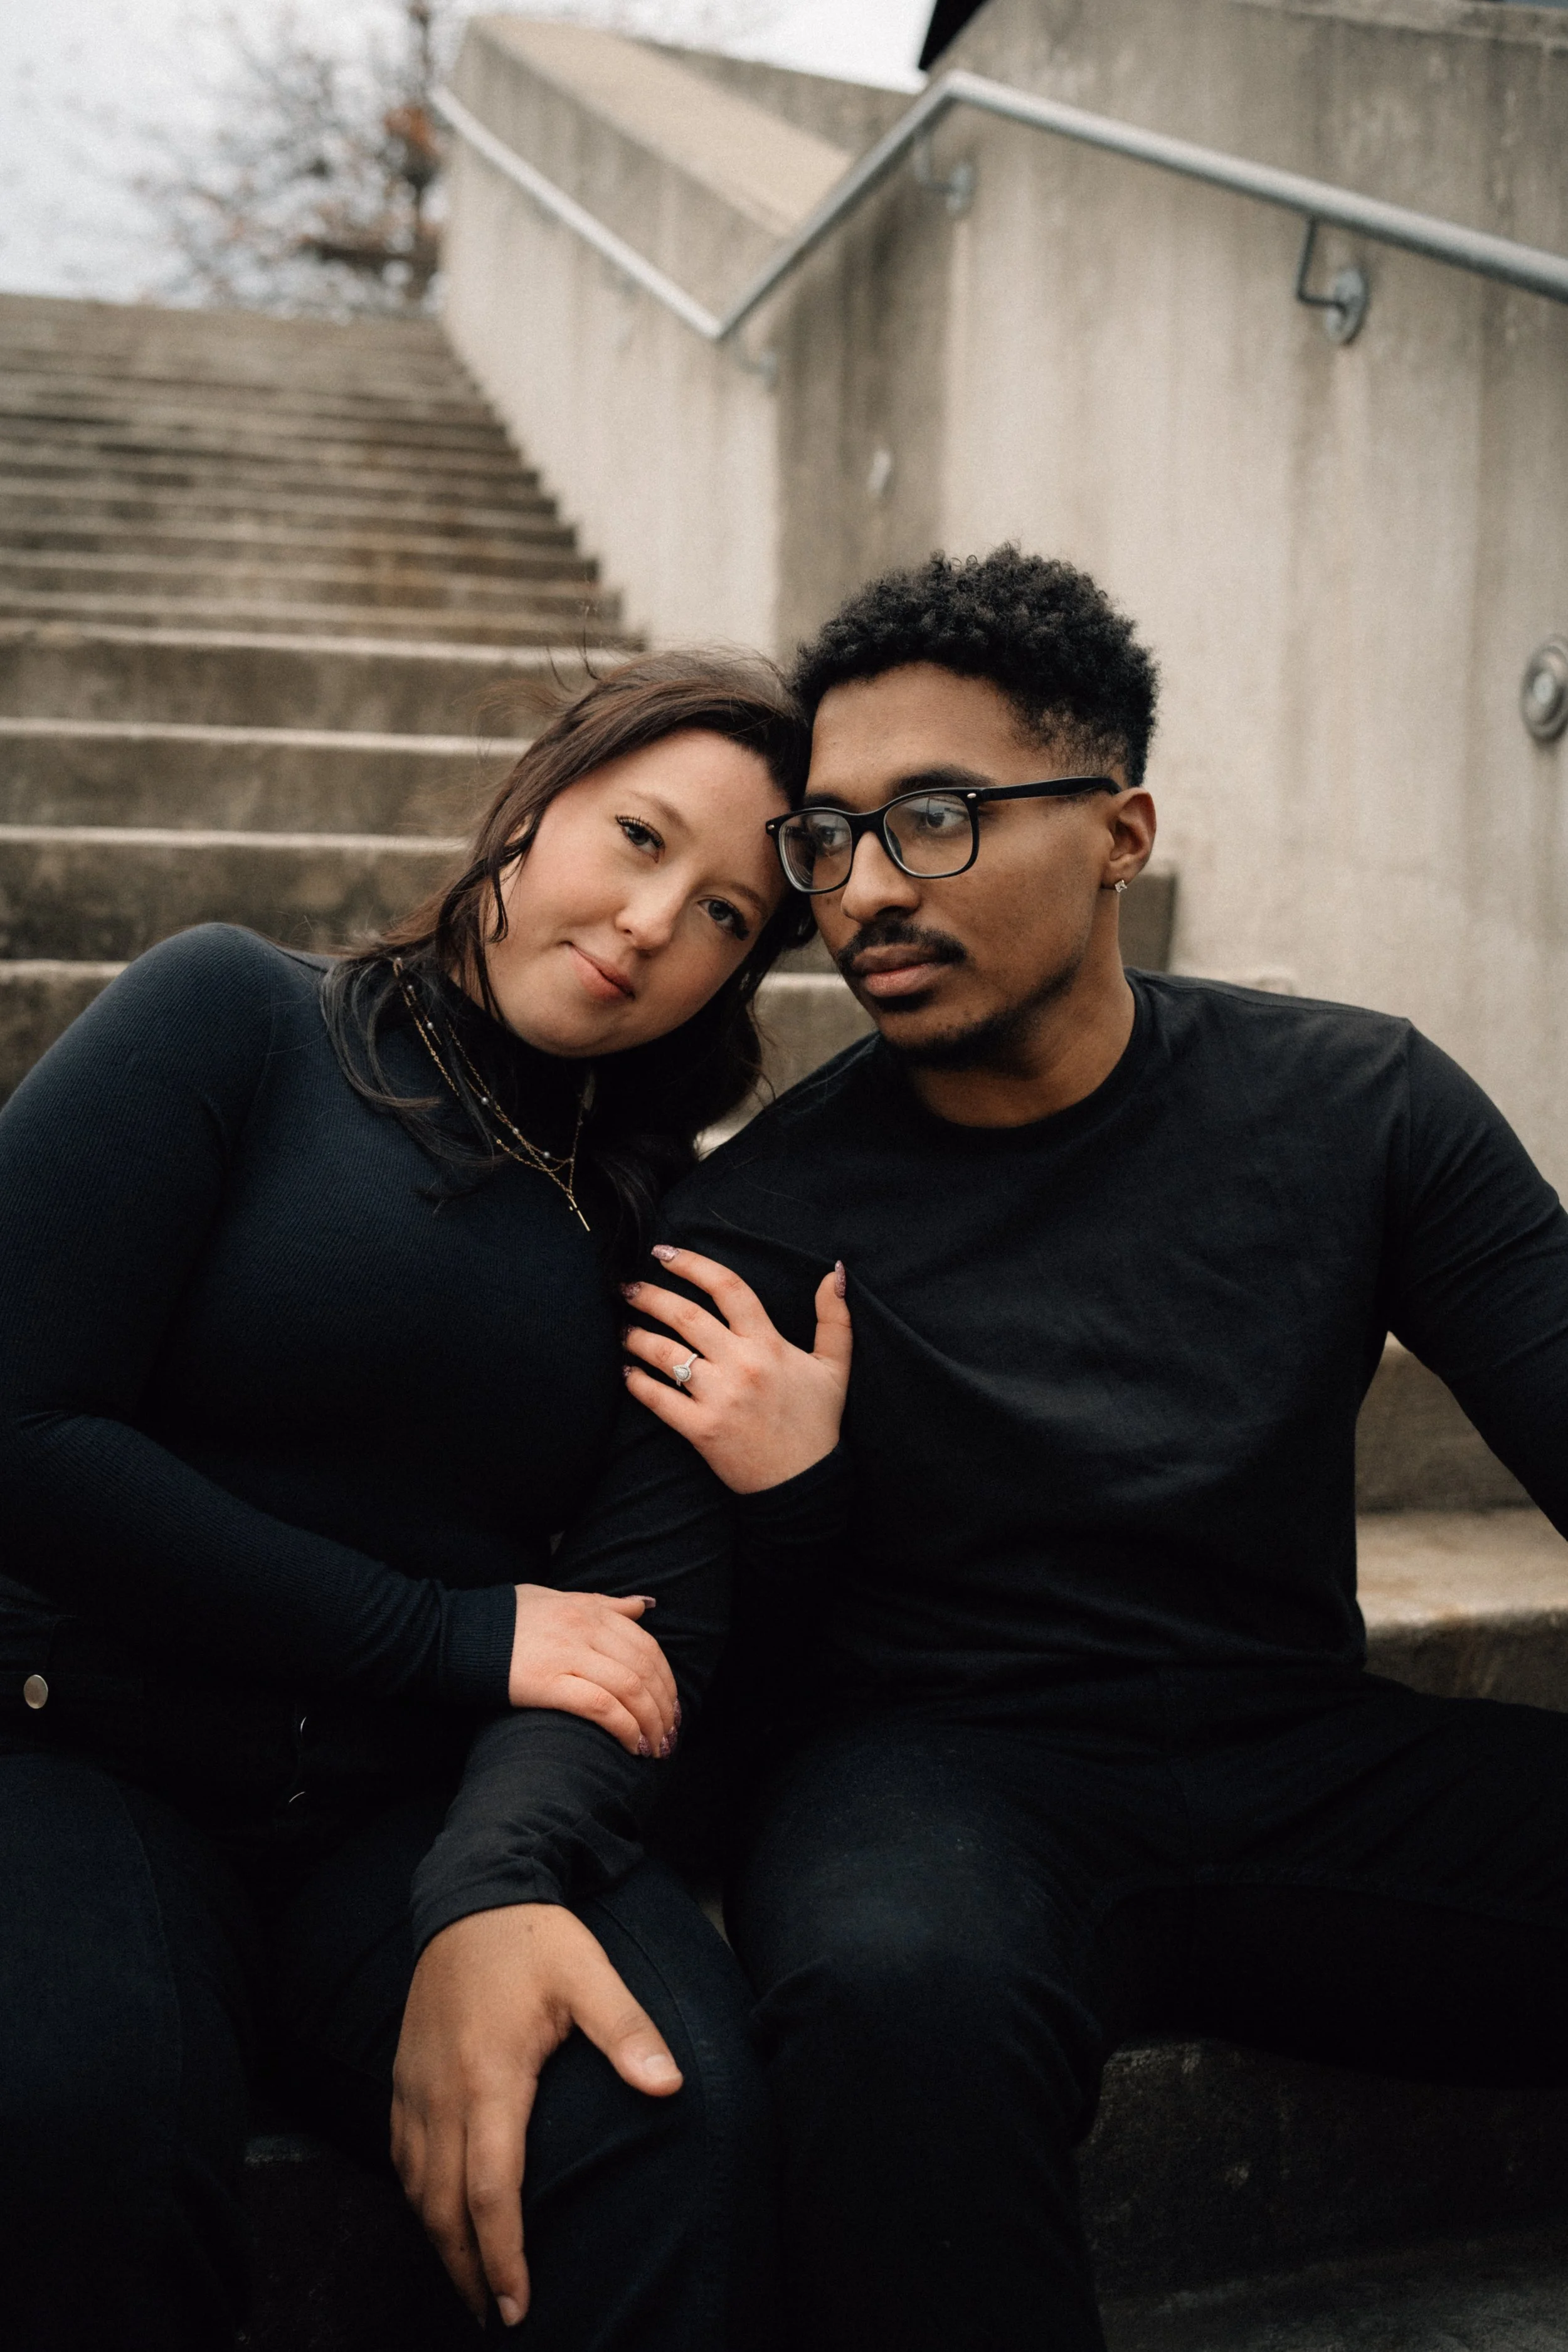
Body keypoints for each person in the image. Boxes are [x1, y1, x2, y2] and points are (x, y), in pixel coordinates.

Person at [608, 546, 1568, 2347]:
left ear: (1120, 830)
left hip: (1298, 1755)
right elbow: (692, 1681)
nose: (866, 888)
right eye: (826, 839)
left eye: (938, 816)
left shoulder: (1357, 1105)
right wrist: (797, 1498)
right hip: (938, 1789)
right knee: (890, 2002)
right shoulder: (755, 1221)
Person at [0, 650, 853, 2352]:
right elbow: (24, 1428)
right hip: (83, 1749)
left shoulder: (658, 1231)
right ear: (534, 807)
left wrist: (493, 1881)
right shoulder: (237, 1013)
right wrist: (454, 1629)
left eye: (726, 916)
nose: (650, 921)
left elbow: (645, 1635)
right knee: (79, 2127)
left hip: (396, 1814)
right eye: (635, 835)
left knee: (665, 2112)